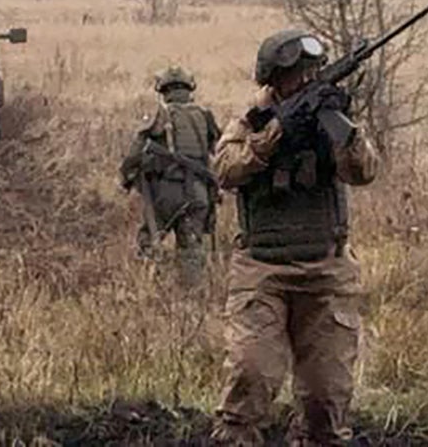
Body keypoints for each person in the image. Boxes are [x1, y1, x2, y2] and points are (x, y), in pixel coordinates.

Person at [211, 29, 379, 445]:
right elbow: (225, 170)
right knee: (252, 375)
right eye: (295, 74)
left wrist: (343, 129)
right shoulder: (250, 122)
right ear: (273, 78)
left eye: (311, 71)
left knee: (326, 397)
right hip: (262, 271)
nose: (305, 80)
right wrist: (275, 136)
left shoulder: (328, 119)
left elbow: (365, 172)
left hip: (327, 270)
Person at [120, 66, 221, 284]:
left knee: (149, 241)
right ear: (189, 89)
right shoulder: (205, 116)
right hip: (199, 193)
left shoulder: (161, 114)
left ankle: (148, 289)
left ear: (163, 91)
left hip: (168, 192)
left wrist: (126, 179)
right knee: (192, 248)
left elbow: (135, 153)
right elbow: (220, 153)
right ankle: (191, 301)